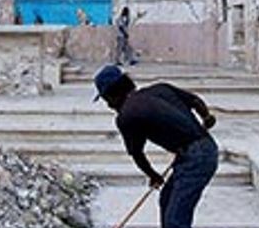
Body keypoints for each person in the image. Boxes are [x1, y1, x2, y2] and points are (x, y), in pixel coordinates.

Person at [93, 65, 217, 228]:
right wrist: (207, 117)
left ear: (111, 95)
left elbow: (137, 154)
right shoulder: (160, 88)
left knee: (175, 220)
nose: (109, 106)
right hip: (202, 148)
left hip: (196, 159)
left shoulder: (126, 116)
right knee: (166, 198)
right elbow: (196, 101)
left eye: (106, 100)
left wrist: (153, 175)